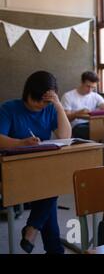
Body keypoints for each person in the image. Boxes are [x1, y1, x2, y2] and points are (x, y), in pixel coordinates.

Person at [0, 71, 71, 254]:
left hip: (41, 167)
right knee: (50, 188)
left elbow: (65, 136)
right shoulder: (9, 108)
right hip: (13, 167)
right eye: (37, 100)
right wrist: (20, 143)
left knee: (50, 184)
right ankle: (48, 244)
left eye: (46, 101)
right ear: (27, 93)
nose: (41, 105)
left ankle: (34, 229)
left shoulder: (49, 109)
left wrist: (58, 107)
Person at [61, 71, 104, 139]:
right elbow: (65, 119)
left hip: (92, 123)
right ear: (82, 82)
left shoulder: (95, 96)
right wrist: (77, 113)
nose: (90, 90)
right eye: (88, 86)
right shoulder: (68, 96)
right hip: (76, 126)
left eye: (93, 87)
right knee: (92, 130)